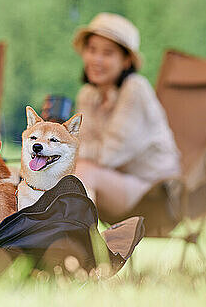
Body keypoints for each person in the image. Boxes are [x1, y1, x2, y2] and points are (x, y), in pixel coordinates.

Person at [73, 13, 181, 218]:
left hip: (156, 193)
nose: (96, 59)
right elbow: (83, 147)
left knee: (81, 171)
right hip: (112, 182)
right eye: (92, 49)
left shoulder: (135, 89)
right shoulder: (88, 95)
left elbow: (107, 155)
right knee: (68, 170)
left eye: (107, 53)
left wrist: (63, 148)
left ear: (126, 60)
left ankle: (77, 243)